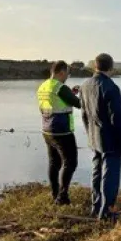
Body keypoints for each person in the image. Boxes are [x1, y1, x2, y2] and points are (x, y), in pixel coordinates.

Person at [79, 53, 121, 220]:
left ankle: (96, 206)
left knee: (96, 171)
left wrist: (89, 134)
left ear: (95, 66)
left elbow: (84, 114)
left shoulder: (85, 85)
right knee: (110, 175)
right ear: (111, 67)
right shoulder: (111, 87)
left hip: (94, 137)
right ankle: (107, 211)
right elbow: (118, 118)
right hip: (110, 139)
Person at [36, 61, 81, 205]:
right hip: (62, 131)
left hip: (47, 130)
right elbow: (79, 104)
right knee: (71, 162)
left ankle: (55, 194)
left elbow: (56, 101)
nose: (68, 75)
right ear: (61, 72)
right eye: (68, 73)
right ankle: (62, 197)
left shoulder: (43, 86)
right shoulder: (60, 87)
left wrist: (71, 92)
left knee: (54, 163)